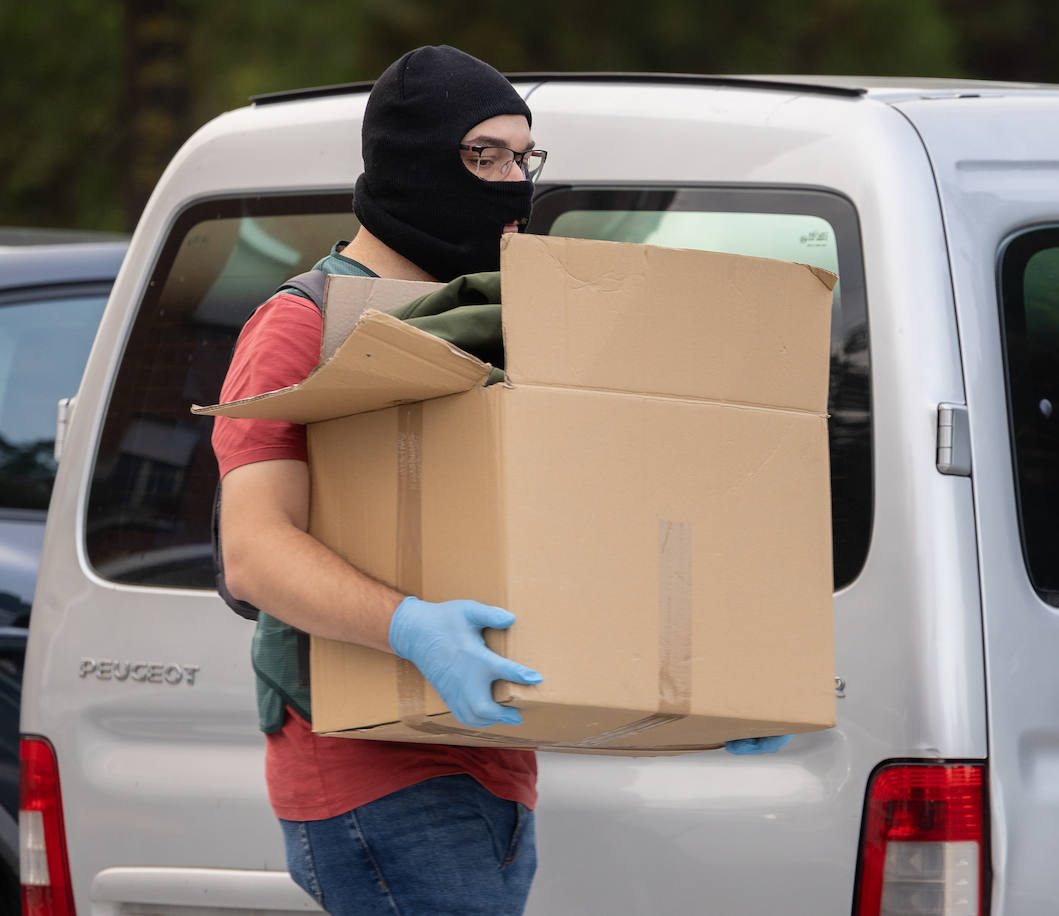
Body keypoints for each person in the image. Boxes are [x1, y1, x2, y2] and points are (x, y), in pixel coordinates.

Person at [213, 45, 787, 916]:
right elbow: (253, 553)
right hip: (367, 762)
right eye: (485, 155)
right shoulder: (301, 325)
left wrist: (713, 668)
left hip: (493, 759)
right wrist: (413, 628)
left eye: (526, 157)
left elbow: (576, 514)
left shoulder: (500, 314)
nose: (514, 181)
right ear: (412, 161)